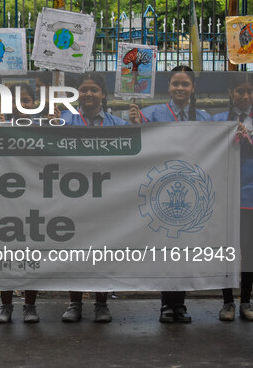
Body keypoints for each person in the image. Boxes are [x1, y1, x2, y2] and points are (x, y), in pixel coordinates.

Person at [132, 65, 211, 323]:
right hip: (159, 191)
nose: (180, 88)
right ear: (168, 87)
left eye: (185, 84)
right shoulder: (150, 114)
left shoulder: (205, 118)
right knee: (167, 248)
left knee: (185, 249)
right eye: (175, 84)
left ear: (193, 88)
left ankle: (181, 304)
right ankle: (166, 304)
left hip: (191, 193)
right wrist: (135, 124)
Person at [58, 72, 139, 323]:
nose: (89, 94)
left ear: (103, 94)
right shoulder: (64, 120)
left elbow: (134, 155)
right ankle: (74, 303)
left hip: (107, 199)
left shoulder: (118, 124)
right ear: (77, 94)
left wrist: (137, 129)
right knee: (74, 252)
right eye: (84, 89)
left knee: (104, 251)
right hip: (72, 197)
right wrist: (48, 125)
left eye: (94, 89)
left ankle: (101, 304)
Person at [0, 84, 41, 323]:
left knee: (32, 254)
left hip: (34, 201)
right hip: (5, 201)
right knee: (5, 255)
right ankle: (6, 306)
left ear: (35, 104)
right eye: (15, 101)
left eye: (26, 100)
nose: (21, 105)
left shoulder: (46, 130)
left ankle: (30, 306)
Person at [213, 73, 253, 321]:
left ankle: (246, 301)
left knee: (248, 251)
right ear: (231, 93)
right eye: (240, 91)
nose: (246, 96)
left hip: (250, 198)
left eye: (250, 92)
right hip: (223, 197)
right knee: (226, 251)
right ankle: (227, 301)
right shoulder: (217, 121)